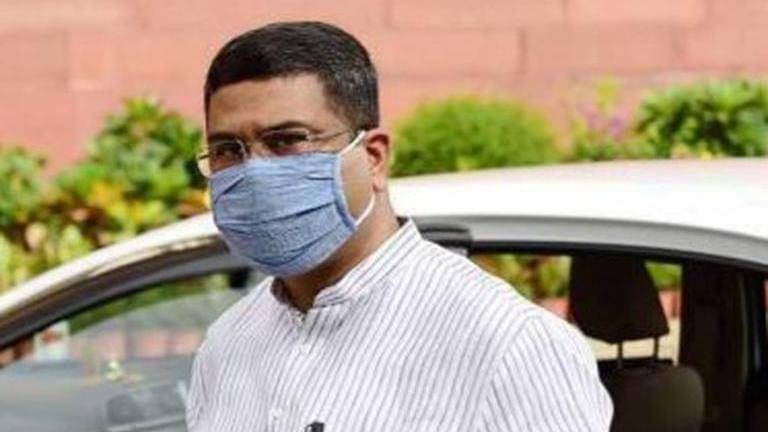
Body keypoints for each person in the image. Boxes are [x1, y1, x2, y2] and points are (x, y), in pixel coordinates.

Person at [186, 21, 613, 431]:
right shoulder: (228, 344)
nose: (255, 171)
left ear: (373, 158)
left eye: (287, 140)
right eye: (228, 149)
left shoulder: (508, 344)